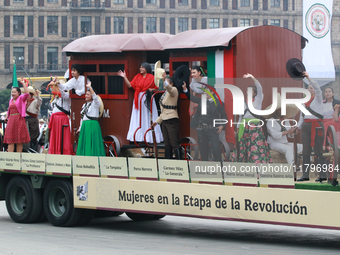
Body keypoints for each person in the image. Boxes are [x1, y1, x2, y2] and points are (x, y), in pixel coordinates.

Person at [231, 73, 272, 163]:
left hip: (255, 126)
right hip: (244, 127)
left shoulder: (258, 100)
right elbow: (240, 117)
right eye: (247, 90)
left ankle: (257, 168)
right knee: (243, 147)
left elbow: (260, 88)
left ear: (255, 93)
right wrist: (238, 129)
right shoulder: (242, 102)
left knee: (255, 147)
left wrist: (252, 77)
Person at [118, 63, 163, 143]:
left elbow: (157, 88)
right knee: (139, 116)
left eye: (142, 67)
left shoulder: (151, 77)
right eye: (140, 67)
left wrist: (151, 89)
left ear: (146, 68)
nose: (141, 69)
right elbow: (129, 85)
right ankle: (139, 137)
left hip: (148, 98)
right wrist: (124, 77)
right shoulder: (137, 76)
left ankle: (151, 137)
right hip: (138, 98)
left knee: (149, 115)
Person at [182, 82, 227, 162]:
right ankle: (205, 170)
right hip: (202, 129)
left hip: (213, 129)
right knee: (203, 150)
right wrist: (185, 90)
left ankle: (220, 170)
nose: (204, 93)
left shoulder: (219, 103)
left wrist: (222, 125)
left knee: (215, 149)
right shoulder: (202, 101)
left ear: (212, 92)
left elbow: (224, 116)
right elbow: (192, 98)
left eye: (206, 91)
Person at [297, 72, 326, 182]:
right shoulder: (303, 102)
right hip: (306, 126)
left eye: (312, 88)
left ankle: (322, 175)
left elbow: (318, 89)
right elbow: (301, 117)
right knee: (306, 151)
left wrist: (309, 78)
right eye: (308, 88)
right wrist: (297, 127)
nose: (310, 89)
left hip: (317, 125)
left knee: (318, 151)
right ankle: (305, 175)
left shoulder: (318, 98)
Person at [265, 94, 302, 165]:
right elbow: (274, 135)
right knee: (288, 149)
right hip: (274, 143)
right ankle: (292, 168)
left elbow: (289, 133)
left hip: (284, 142)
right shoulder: (271, 120)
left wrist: (292, 132)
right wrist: (288, 132)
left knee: (301, 147)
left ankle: (307, 166)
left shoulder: (285, 120)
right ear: (276, 110)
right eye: (280, 109)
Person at [152, 77, 180, 159]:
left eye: (166, 82)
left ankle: (180, 162)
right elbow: (163, 111)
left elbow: (170, 89)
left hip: (171, 119)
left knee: (174, 143)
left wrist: (164, 80)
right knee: (167, 143)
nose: (164, 84)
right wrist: (157, 121)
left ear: (171, 83)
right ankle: (168, 162)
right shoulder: (164, 94)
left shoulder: (173, 90)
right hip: (164, 119)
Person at [76, 82, 105, 156]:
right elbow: (82, 118)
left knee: (93, 143)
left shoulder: (95, 104)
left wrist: (90, 88)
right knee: (85, 143)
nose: (86, 96)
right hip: (85, 126)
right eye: (86, 94)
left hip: (92, 125)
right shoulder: (84, 105)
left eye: (88, 94)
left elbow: (95, 97)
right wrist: (80, 128)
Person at [3, 80, 30, 152]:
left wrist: (24, 84)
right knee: (10, 140)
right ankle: (10, 157)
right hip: (11, 120)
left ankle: (18, 157)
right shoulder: (10, 101)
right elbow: (9, 110)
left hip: (19, 119)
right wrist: (6, 117)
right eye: (12, 92)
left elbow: (27, 94)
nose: (13, 93)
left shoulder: (21, 98)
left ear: (19, 93)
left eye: (14, 92)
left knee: (19, 140)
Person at [48, 81, 73, 155]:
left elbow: (62, 94)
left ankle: (64, 153)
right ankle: (55, 151)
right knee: (54, 137)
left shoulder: (67, 95)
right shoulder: (55, 98)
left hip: (62, 118)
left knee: (63, 137)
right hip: (55, 118)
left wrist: (57, 85)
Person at [24, 86, 42, 151]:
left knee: (33, 136)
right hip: (25, 119)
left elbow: (39, 101)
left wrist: (37, 95)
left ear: (31, 95)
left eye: (29, 94)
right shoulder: (24, 102)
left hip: (33, 119)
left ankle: (32, 149)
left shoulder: (35, 101)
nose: (28, 95)